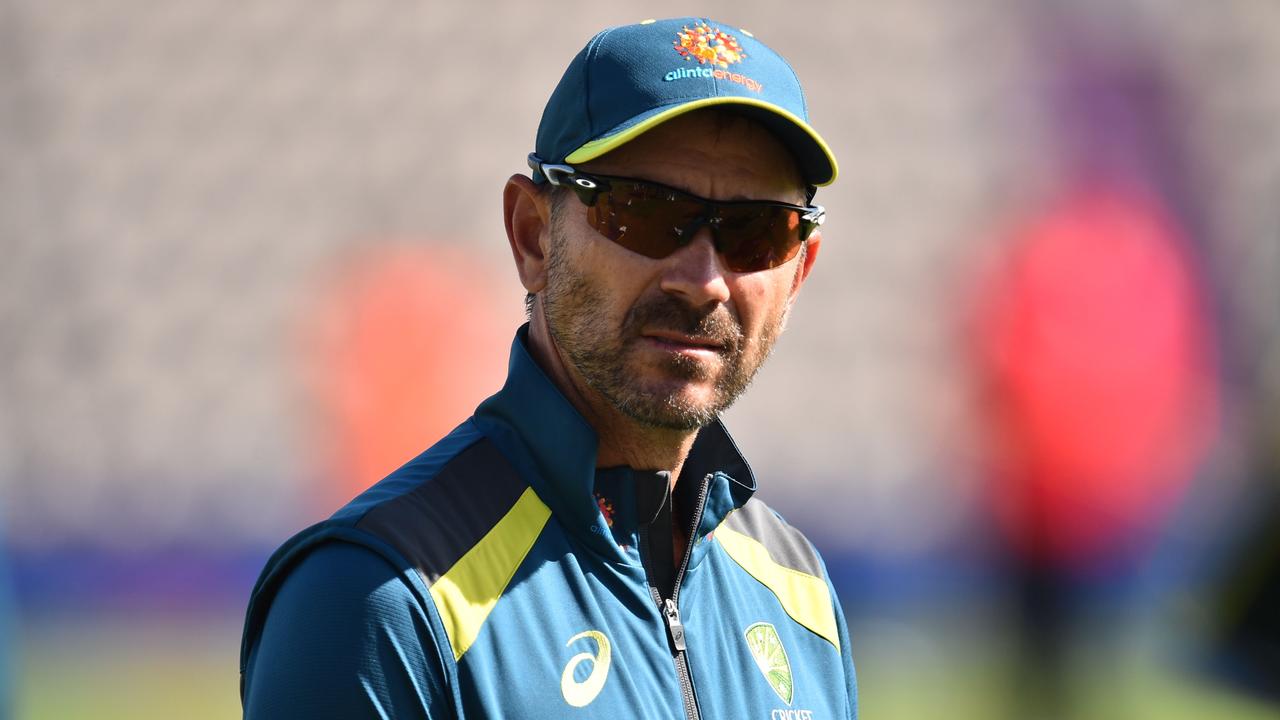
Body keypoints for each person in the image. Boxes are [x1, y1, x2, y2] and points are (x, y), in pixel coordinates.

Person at [241, 17, 855, 719]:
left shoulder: (799, 593)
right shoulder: (376, 597)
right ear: (533, 237)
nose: (704, 280)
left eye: (755, 232)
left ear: (798, 271)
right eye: (645, 214)